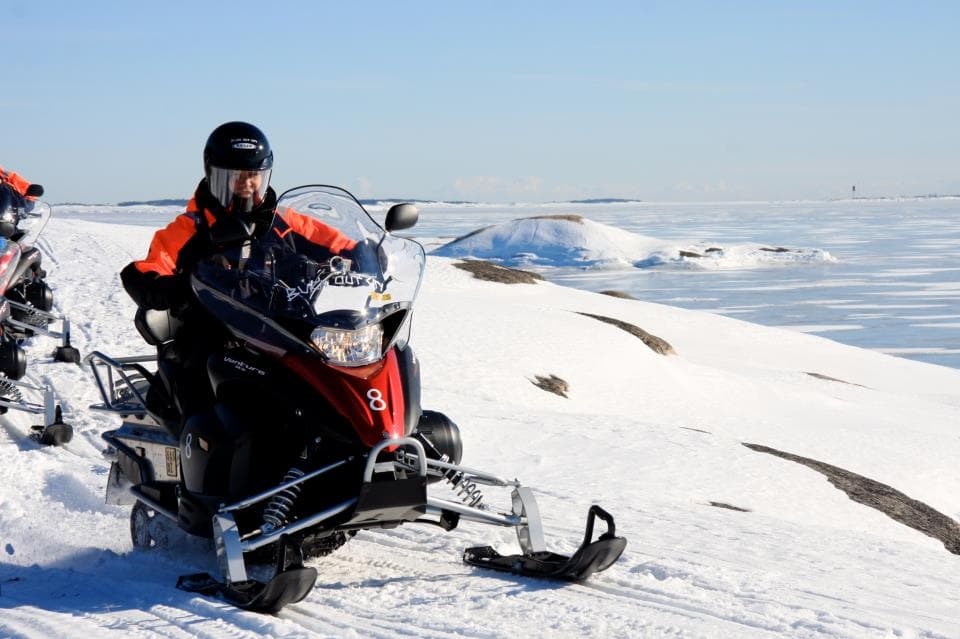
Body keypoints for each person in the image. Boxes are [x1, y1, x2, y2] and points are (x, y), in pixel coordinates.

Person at [120, 121, 356, 420]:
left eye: (254, 175)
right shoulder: (191, 227)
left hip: (283, 330)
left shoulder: (283, 222)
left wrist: (366, 257)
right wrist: (165, 286)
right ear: (214, 175)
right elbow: (149, 266)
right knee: (207, 412)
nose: (247, 184)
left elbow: (339, 243)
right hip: (212, 332)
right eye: (236, 176)